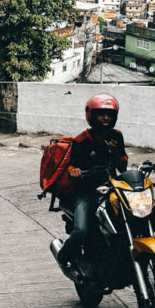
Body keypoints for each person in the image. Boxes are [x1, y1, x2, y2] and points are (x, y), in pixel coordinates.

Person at [56, 93, 128, 272]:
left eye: (109, 114)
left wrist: (114, 153)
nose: (105, 118)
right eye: (101, 114)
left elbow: (123, 166)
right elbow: (72, 165)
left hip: (111, 189)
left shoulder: (116, 136)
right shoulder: (83, 139)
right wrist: (75, 170)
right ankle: (64, 254)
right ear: (91, 115)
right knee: (81, 231)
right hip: (86, 192)